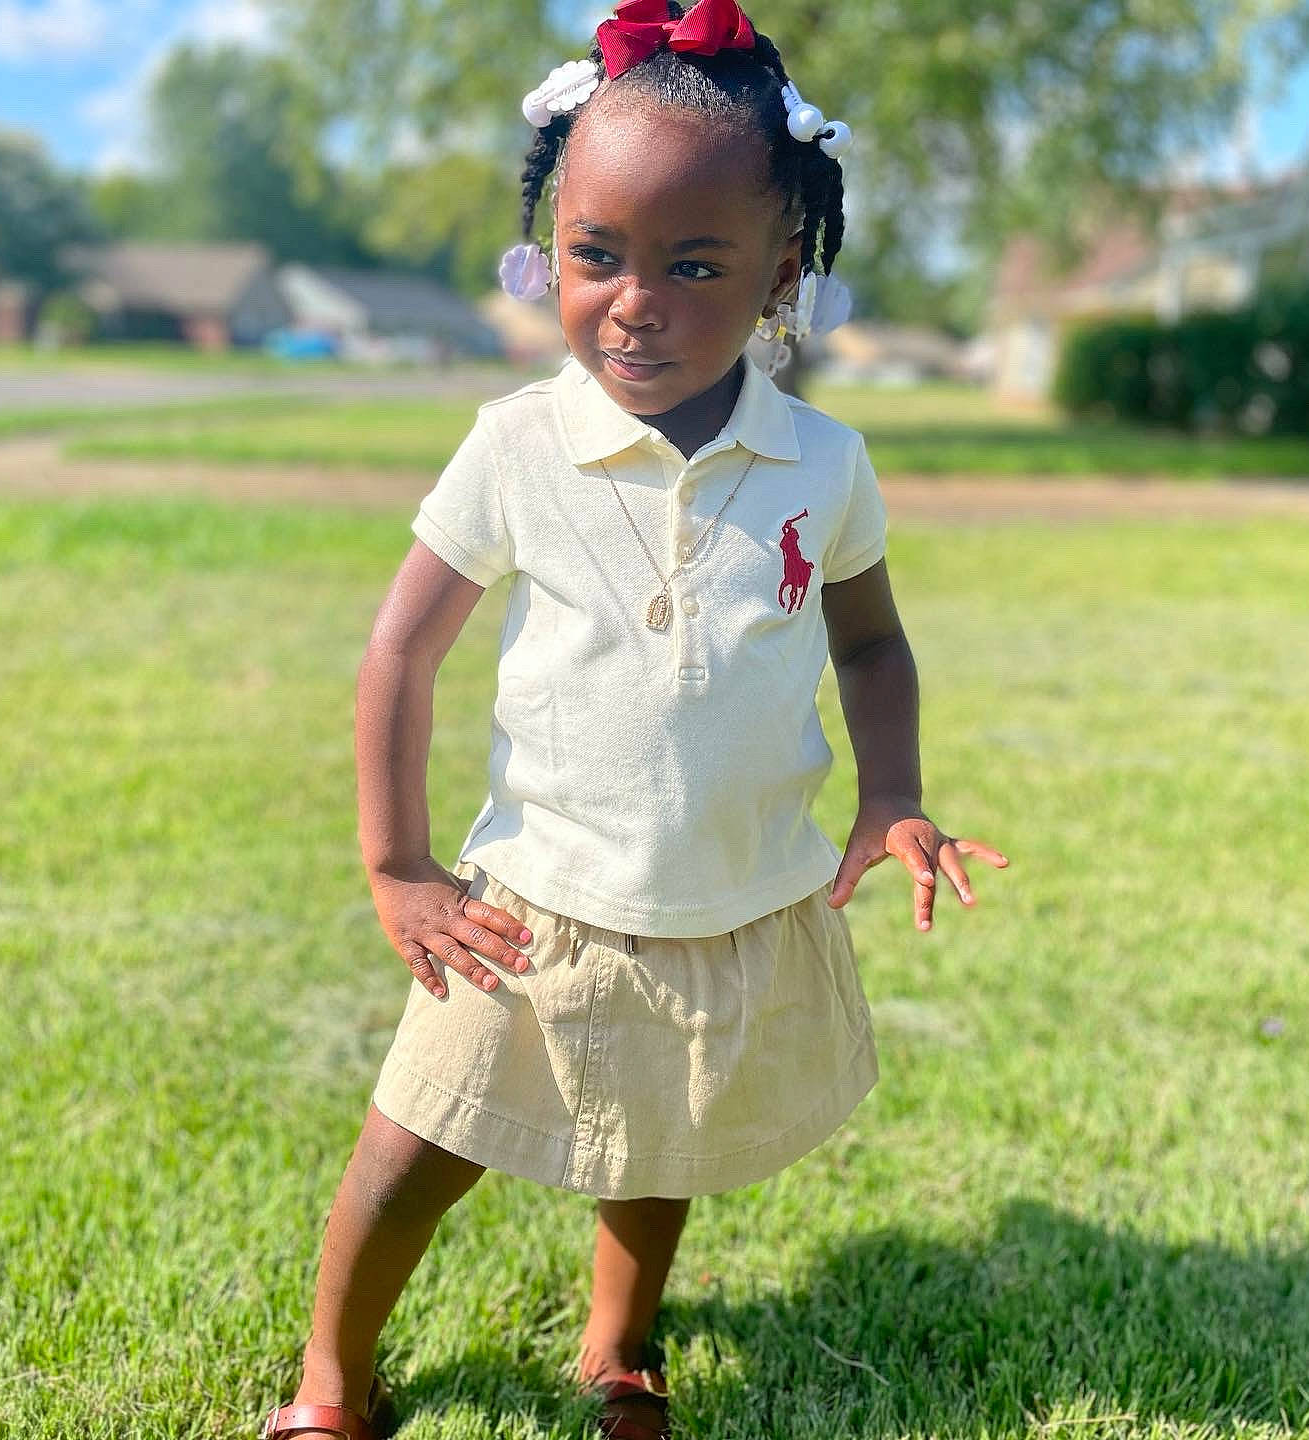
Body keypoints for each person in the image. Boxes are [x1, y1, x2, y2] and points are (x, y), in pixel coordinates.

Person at [260, 3, 1007, 1437]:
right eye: (596, 255)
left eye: (694, 263)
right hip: (534, 901)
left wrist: (890, 793)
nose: (634, 300)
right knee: (416, 1144)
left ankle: (619, 1347)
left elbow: (873, 641)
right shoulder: (517, 442)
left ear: (783, 270)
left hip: (725, 899)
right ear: (550, 248)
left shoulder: (821, 462)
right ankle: (333, 1380)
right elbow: (400, 653)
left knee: (661, 1139)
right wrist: (397, 864)